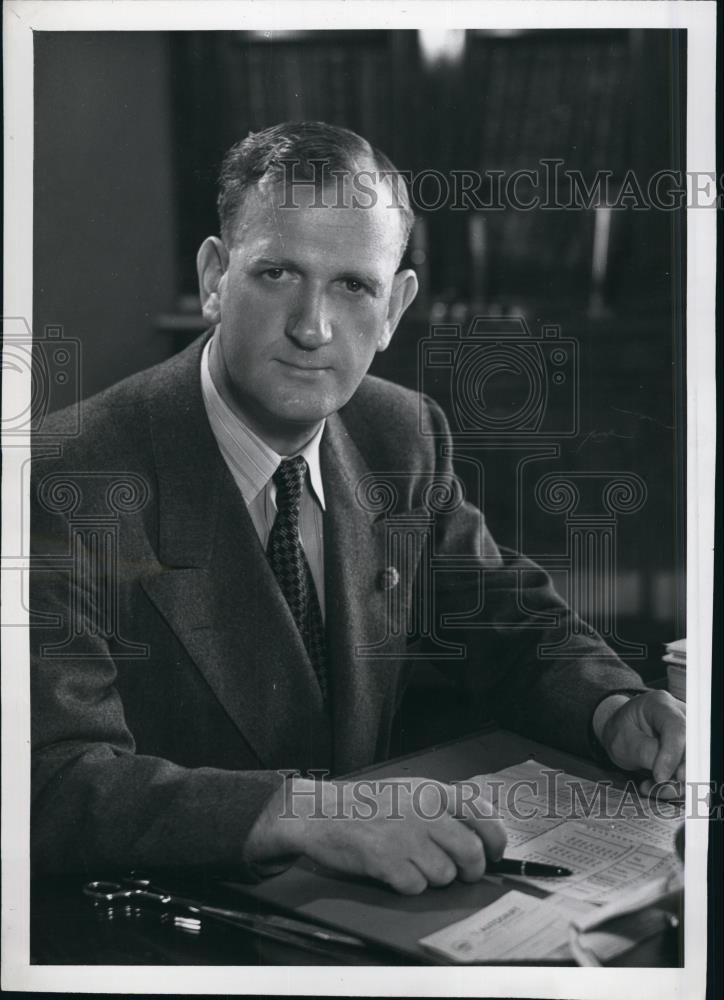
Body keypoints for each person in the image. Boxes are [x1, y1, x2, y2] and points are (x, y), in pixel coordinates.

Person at [30, 121, 685, 895]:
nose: (313, 327)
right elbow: (51, 783)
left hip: (366, 906)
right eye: (277, 274)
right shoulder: (60, 478)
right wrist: (309, 812)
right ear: (214, 277)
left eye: (354, 285)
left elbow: (507, 623)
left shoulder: (399, 432)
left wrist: (612, 707)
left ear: (395, 307)